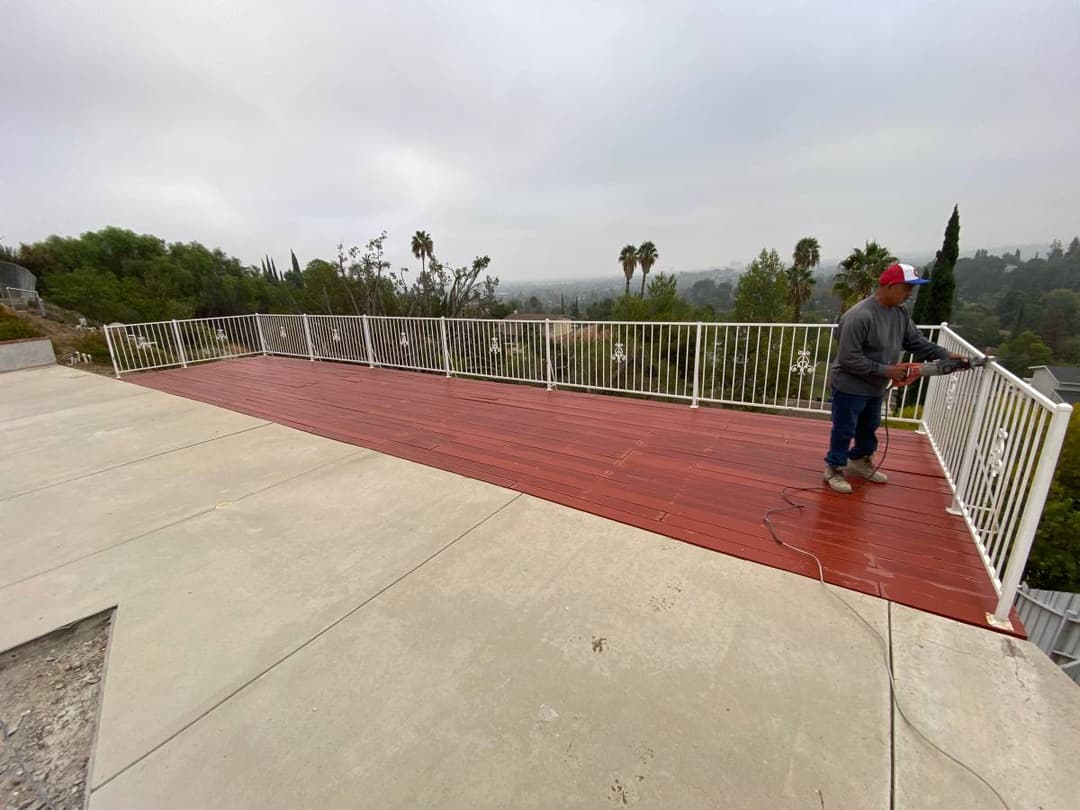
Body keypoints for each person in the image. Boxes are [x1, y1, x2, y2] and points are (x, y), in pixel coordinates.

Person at [824, 262, 964, 494]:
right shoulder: (860, 316)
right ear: (889, 286)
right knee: (844, 429)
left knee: (869, 427)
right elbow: (849, 358)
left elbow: (915, 341)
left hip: (875, 386)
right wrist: (885, 370)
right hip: (850, 385)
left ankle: (859, 461)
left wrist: (945, 354)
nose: (910, 294)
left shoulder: (899, 314)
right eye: (907, 287)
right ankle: (834, 469)